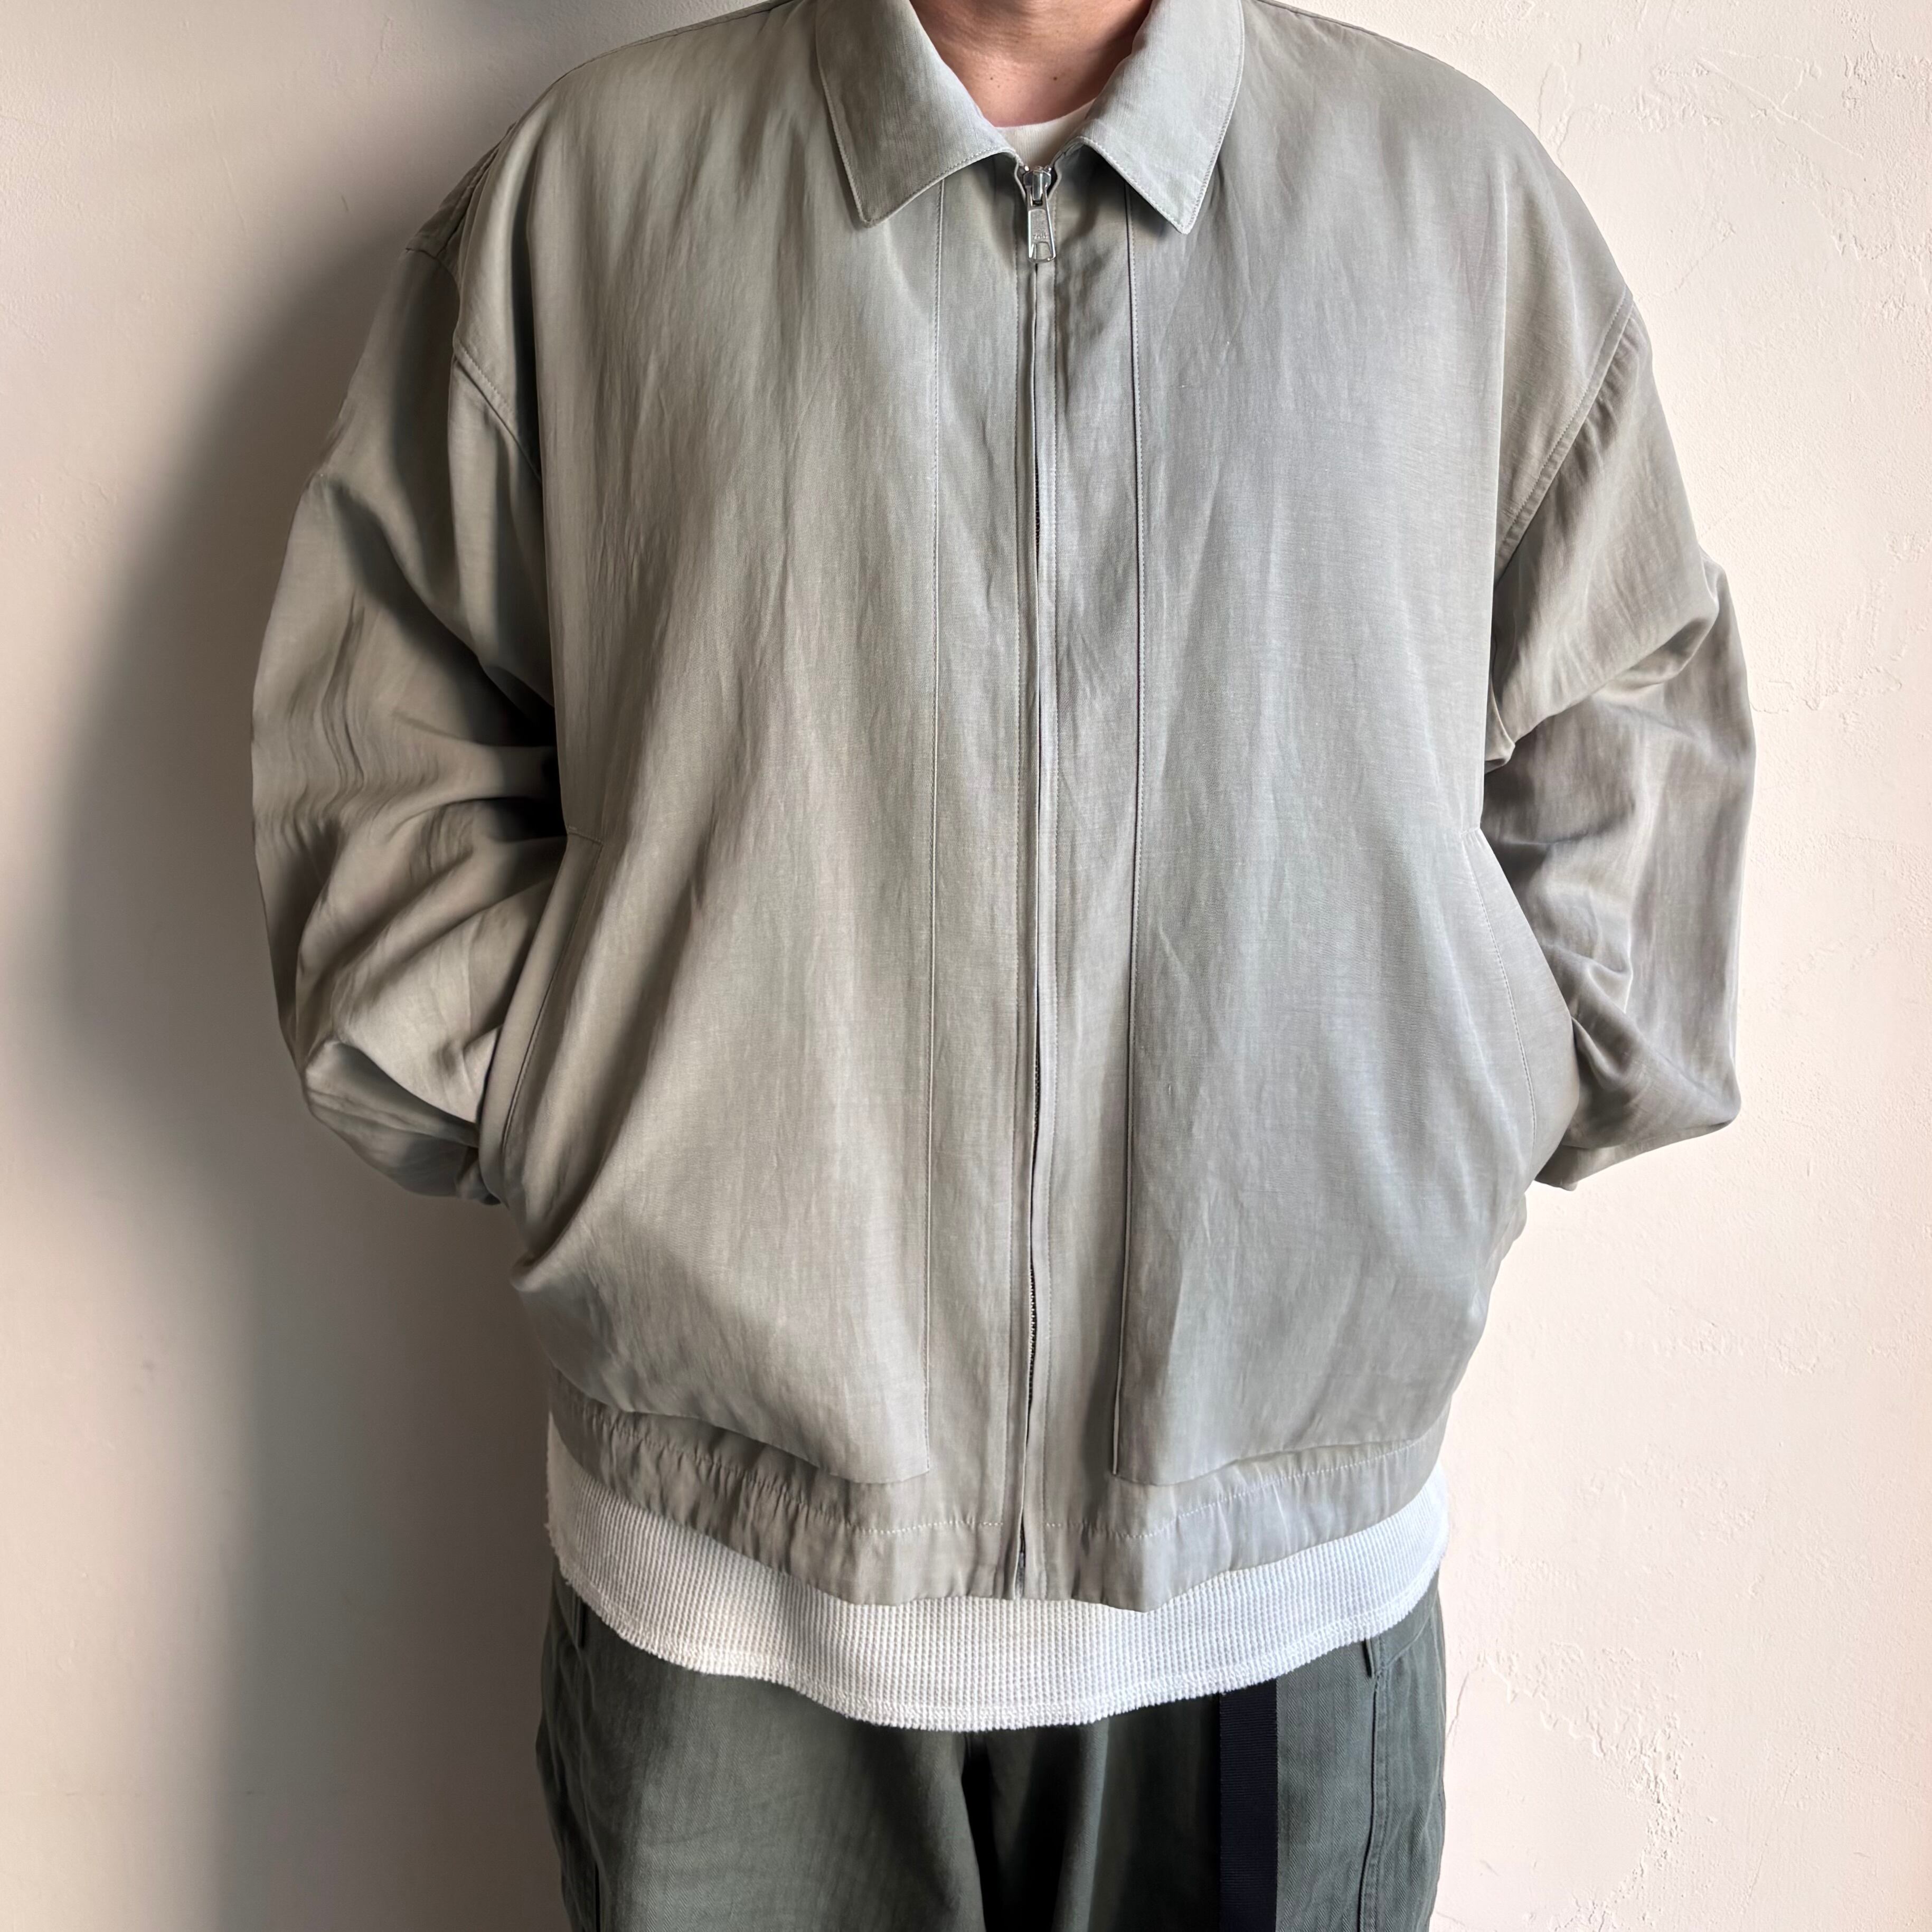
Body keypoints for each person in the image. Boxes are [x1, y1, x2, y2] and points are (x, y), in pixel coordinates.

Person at [247, 0, 1755, 1920]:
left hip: (1277, 1604)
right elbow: (379, 752)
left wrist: (1449, 1095)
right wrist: (582, 1106)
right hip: (727, 1607)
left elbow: (1631, 737)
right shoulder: (591, 198)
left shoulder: (1452, 205)